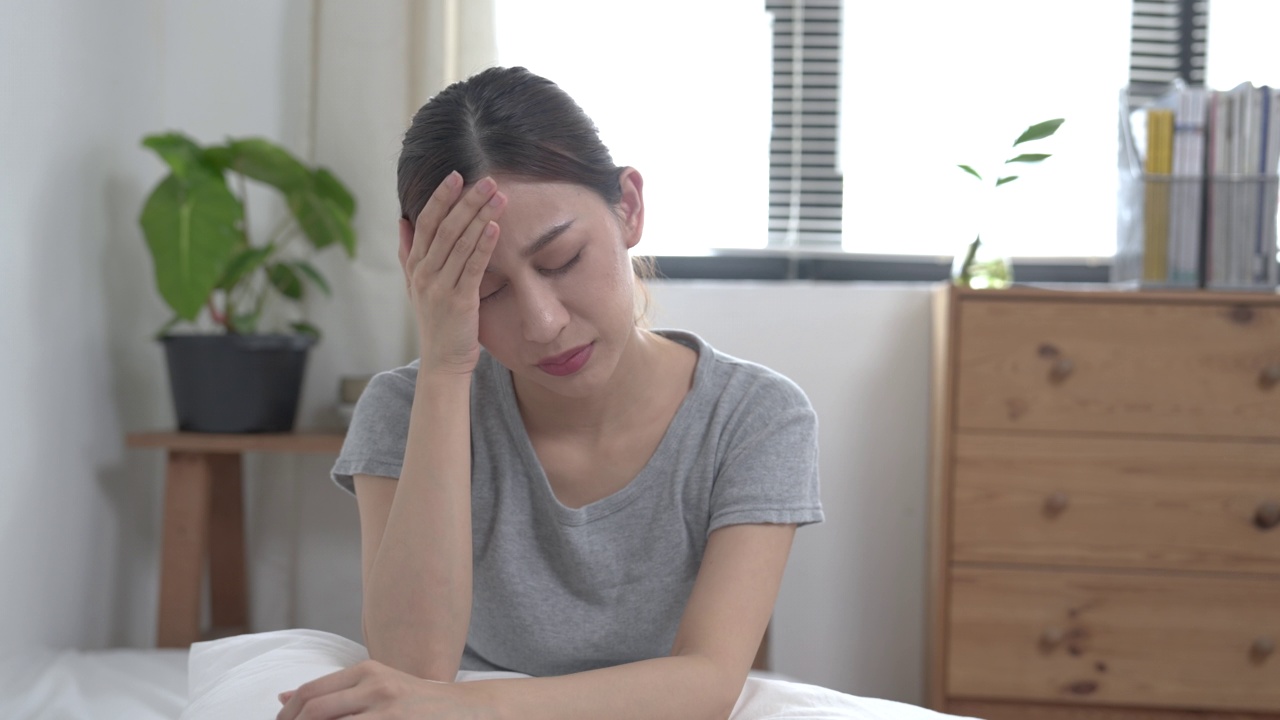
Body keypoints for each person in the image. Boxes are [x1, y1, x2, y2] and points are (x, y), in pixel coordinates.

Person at [276, 65, 824, 720]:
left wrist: (471, 709)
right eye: (486, 292)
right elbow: (412, 670)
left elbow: (706, 683)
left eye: (562, 261)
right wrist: (447, 368)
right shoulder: (402, 410)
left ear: (629, 207)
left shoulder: (754, 418)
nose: (542, 323)